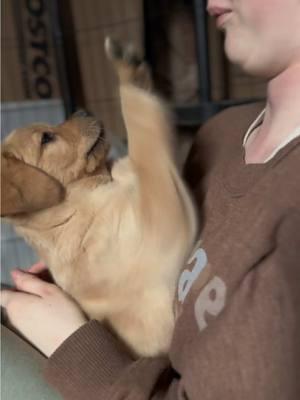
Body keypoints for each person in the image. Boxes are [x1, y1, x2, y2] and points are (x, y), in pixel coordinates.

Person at [1, 0, 300, 398]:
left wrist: (72, 344)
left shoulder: (287, 213)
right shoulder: (222, 133)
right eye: (48, 138)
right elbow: (161, 225)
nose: (210, 1)